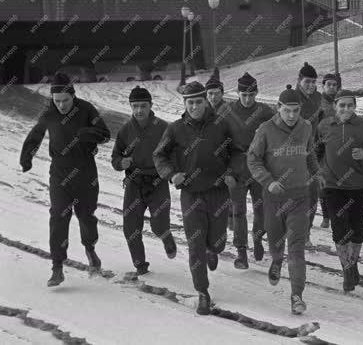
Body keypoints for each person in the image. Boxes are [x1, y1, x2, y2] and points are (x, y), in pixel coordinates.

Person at [153, 81, 236, 315]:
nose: (195, 107)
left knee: (217, 243)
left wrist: (232, 173)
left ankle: (214, 250)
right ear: (184, 103)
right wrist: (171, 175)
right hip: (191, 194)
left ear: (206, 102)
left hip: (218, 191)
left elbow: (237, 152)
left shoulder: (221, 125)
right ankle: (202, 292)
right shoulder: (175, 129)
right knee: (195, 244)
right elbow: (159, 155)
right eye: (190, 103)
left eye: (199, 102)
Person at [19, 72, 110, 287]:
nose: (60, 105)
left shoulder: (86, 109)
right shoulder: (49, 113)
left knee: (86, 216)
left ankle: (90, 249)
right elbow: (35, 136)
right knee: (58, 216)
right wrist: (26, 159)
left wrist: (88, 132)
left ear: (73, 96)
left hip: (86, 172)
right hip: (59, 172)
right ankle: (57, 267)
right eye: (56, 101)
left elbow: (105, 134)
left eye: (65, 101)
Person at [247, 84, 323, 315]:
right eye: (287, 110)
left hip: (300, 196)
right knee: (276, 242)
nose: (292, 116)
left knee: (297, 248)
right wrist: (268, 181)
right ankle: (276, 260)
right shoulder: (265, 130)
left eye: (296, 110)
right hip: (274, 197)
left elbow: (309, 154)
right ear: (278, 108)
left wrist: (316, 173)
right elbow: (253, 159)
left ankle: (296, 296)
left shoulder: (307, 127)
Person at [317, 89, 363, 291]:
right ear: (335, 106)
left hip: (357, 187)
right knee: (340, 230)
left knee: (358, 231)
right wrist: (320, 173)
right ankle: (347, 270)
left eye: (350, 105)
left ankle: (353, 264)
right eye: (342, 105)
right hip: (333, 187)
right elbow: (316, 152)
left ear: (355, 107)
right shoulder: (324, 126)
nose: (346, 109)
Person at [111, 86, 176, 275]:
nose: (139, 110)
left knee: (159, 224)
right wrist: (121, 163)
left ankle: (166, 237)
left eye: (143, 106)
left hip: (157, 182)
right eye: (135, 106)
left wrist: (172, 172)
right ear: (131, 106)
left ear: (150, 106)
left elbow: (175, 154)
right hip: (134, 183)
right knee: (130, 226)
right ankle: (140, 264)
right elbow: (115, 157)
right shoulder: (125, 130)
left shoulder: (164, 128)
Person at [224, 72, 275, 269]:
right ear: (237, 93)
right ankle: (241, 251)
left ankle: (257, 239)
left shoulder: (265, 112)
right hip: (235, 167)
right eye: (243, 95)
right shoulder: (227, 111)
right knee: (238, 211)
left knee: (260, 208)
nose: (247, 99)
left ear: (257, 93)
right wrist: (225, 172)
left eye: (251, 95)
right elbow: (219, 144)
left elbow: (276, 137)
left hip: (259, 167)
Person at [295, 62, 324, 245]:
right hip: (290, 151)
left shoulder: (318, 98)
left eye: (314, 81)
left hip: (310, 149)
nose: (311, 85)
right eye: (307, 81)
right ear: (299, 81)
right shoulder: (291, 97)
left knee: (313, 193)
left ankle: (305, 233)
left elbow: (320, 121)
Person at [205, 67, 234, 231]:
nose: (213, 97)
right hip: (207, 157)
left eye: (216, 93)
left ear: (222, 93)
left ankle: (230, 218)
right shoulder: (202, 109)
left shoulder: (229, 110)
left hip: (225, 154)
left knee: (227, 189)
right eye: (210, 94)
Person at [317, 72, 340, 229]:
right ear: (323, 86)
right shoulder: (319, 103)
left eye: (334, 85)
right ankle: (326, 216)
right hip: (322, 147)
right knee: (323, 182)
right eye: (328, 84)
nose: (331, 87)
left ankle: (338, 213)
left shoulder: (341, 102)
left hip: (340, 146)